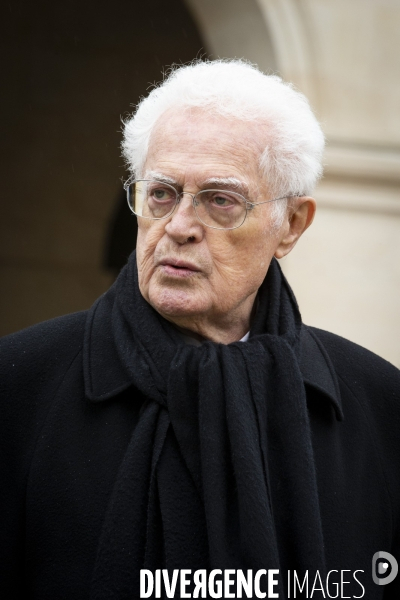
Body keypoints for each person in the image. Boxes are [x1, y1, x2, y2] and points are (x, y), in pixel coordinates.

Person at [1, 59, 399, 600]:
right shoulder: (17, 387)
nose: (180, 227)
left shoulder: (377, 405)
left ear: (292, 224)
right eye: (161, 193)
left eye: (220, 200)